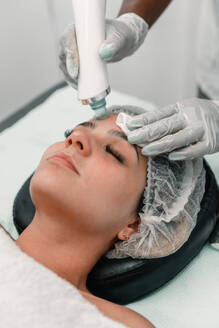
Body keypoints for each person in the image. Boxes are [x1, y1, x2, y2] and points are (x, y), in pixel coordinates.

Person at [0, 108, 155, 328]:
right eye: (71, 132)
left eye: (112, 151)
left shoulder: (113, 323)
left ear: (135, 223)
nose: (76, 138)